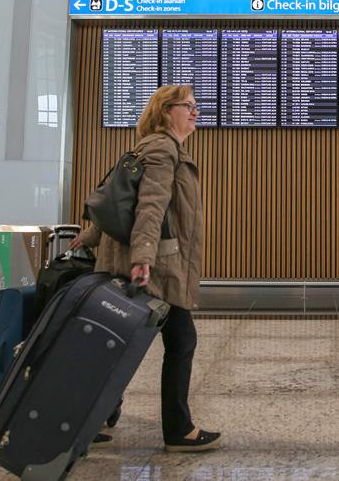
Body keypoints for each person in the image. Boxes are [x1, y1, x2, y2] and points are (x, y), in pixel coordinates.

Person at [73, 85, 221, 452]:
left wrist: (90, 237)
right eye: (188, 106)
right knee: (180, 340)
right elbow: (150, 206)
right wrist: (143, 259)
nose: (195, 112)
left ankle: (92, 417)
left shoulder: (150, 147)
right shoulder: (163, 149)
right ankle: (178, 429)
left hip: (147, 262)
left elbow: (122, 200)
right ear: (165, 110)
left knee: (123, 344)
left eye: (195, 107)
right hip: (159, 268)